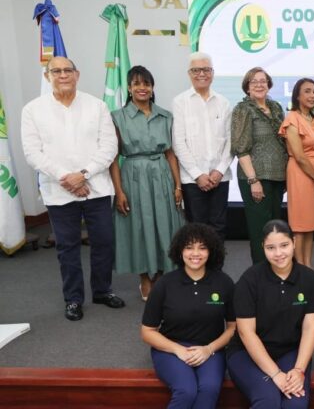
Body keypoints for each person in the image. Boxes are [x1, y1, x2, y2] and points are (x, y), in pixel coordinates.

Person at [21, 56, 125, 321]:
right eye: (56, 71)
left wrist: (84, 174)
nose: (63, 75)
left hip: (97, 187)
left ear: (77, 75)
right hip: (59, 191)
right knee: (67, 247)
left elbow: (109, 147)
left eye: (68, 70)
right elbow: (32, 153)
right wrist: (66, 178)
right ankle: (73, 299)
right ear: (48, 76)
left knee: (103, 242)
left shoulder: (97, 106)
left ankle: (102, 290)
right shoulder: (33, 110)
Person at [227, 219, 314, 409]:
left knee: (296, 403)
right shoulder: (249, 280)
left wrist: (299, 369)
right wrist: (276, 374)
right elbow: (246, 333)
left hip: (290, 352)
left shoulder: (309, 279)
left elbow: (310, 327)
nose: (278, 254)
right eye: (271, 248)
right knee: (268, 399)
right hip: (247, 354)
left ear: (294, 242)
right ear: (263, 247)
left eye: (284, 245)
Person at [141, 223, 236, 409]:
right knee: (186, 390)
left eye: (202, 248)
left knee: (209, 389)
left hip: (211, 349)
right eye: (189, 247)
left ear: (211, 251)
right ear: (180, 250)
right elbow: (147, 331)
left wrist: (209, 349)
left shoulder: (224, 283)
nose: (195, 253)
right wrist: (177, 349)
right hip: (170, 349)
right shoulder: (165, 284)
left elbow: (234, 328)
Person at [110, 65, 184, 301]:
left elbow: (171, 153)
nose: (142, 88)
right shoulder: (117, 117)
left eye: (147, 84)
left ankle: (162, 277)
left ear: (152, 88)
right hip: (133, 175)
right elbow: (113, 158)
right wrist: (119, 191)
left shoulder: (165, 116)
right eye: (137, 84)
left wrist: (178, 185)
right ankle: (144, 277)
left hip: (161, 174)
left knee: (166, 226)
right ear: (130, 89)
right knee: (138, 227)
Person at [172, 52, 233, 240]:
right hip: (192, 179)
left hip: (219, 178)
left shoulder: (224, 102)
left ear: (212, 73)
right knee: (196, 229)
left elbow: (231, 142)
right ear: (189, 74)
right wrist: (198, 174)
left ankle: (216, 269)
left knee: (219, 227)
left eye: (206, 69)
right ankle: (198, 270)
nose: (202, 74)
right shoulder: (180, 102)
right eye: (196, 70)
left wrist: (220, 170)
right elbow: (178, 142)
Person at [231, 67, 288, 265]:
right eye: (254, 81)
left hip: (277, 177)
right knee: (259, 231)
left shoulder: (276, 107)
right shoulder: (243, 109)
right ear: (247, 87)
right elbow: (240, 147)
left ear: (269, 84)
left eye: (263, 81)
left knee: (275, 229)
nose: (259, 84)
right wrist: (253, 180)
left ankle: (275, 269)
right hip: (255, 178)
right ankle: (260, 274)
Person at [279, 78, 314, 276]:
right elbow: (299, 155)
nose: (312, 95)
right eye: (307, 91)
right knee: (299, 224)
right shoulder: (292, 118)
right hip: (300, 173)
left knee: (311, 223)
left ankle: (308, 266)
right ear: (297, 95)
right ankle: (299, 269)